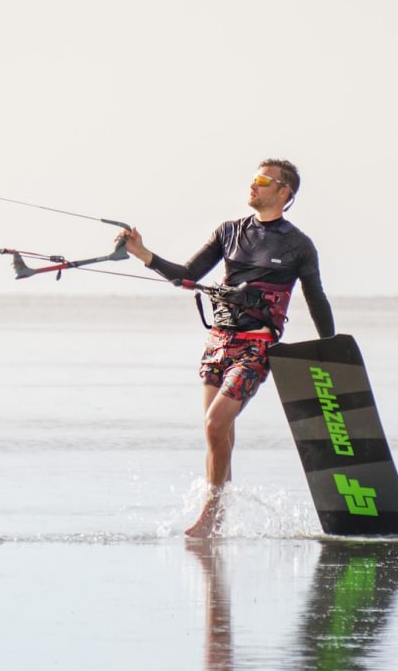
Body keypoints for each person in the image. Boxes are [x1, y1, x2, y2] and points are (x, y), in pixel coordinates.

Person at [120, 159, 335, 538]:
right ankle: (218, 522)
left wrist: (329, 349)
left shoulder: (298, 245)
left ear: (284, 193)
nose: (253, 185)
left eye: (263, 180)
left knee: (215, 423)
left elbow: (316, 298)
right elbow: (186, 275)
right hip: (218, 343)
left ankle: (209, 514)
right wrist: (143, 253)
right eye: (254, 178)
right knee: (219, 435)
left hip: (257, 347)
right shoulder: (230, 232)